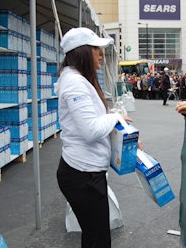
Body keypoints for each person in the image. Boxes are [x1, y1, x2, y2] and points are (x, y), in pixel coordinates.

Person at [55, 27, 132, 248]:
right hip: (83, 176)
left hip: (86, 173)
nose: (101, 53)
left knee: (95, 236)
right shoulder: (75, 83)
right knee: (97, 239)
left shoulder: (77, 79)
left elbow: (95, 122)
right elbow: (90, 130)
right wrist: (116, 117)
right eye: (96, 48)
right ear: (82, 52)